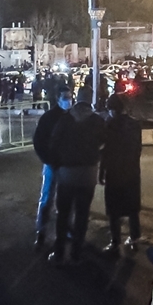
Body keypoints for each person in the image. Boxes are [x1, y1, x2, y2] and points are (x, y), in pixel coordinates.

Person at [47, 87, 107, 265]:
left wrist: (57, 165)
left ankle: (59, 253)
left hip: (67, 172)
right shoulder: (97, 121)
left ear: (77, 98)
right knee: (82, 214)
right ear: (90, 99)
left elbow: (54, 143)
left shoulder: (65, 119)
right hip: (88, 173)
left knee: (63, 214)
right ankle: (76, 253)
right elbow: (104, 144)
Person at [101, 94, 143, 256]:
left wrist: (102, 171)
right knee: (132, 207)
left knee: (114, 209)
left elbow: (106, 151)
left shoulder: (110, 124)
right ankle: (134, 238)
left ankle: (115, 241)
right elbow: (138, 149)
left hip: (114, 172)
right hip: (132, 171)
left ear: (112, 109)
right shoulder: (135, 124)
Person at [32, 90, 71, 250]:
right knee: (47, 198)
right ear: (58, 98)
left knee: (66, 200)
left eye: (70, 97)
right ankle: (41, 231)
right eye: (65, 97)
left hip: (66, 165)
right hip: (52, 164)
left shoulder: (71, 117)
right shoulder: (49, 118)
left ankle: (66, 229)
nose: (68, 101)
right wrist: (47, 160)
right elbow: (38, 141)